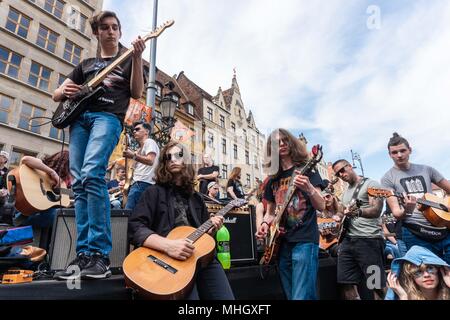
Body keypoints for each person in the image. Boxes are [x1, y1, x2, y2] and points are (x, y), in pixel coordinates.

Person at [52, 10, 146, 280]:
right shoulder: (86, 64)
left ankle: (100, 255)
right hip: (80, 120)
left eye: (115, 27)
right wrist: (64, 91)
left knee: (93, 173)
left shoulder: (129, 58)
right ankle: (83, 255)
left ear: (120, 31)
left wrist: (138, 57)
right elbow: (57, 92)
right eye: (104, 27)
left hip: (108, 118)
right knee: (79, 184)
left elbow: (137, 93)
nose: (111, 31)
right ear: (96, 33)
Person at [128, 141, 234, 300]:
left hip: (201, 259)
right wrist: (168, 245)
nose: (172, 159)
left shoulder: (197, 197)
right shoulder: (153, 192)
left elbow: (206, 236)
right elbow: (135, 227)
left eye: (178, 155)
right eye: (168, 157)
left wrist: (212, 230)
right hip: (168, 262)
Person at [256, 129, 325, 300]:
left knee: (301, 296)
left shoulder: (307, 169)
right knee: (292, 294)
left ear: (291, 143)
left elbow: (322, 205)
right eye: (276, 143)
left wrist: (309, 188)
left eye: (285, 140)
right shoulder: (272, 179)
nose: (281, 144)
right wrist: (264, 225)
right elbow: (270, 214)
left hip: (304, 239)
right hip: (280, 244)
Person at [381, 133, 450, 264]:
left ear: (410, 150)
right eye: (394, 152)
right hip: (415, 232)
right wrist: (408, 209)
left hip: (441, 226)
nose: (399, 155)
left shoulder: (427, 169)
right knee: (426, 272)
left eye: (402, 150)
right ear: (390, 155)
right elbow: (396, 213)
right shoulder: (387, 178)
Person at [332, 159, 385, 300]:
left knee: (376, 285)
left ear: (350, 166)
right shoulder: (344, 194)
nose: (341, 175)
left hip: (369, 240)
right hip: (348, 241)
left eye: (342, 170)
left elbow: (376, 210)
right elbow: (342, 212)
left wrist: (357, 212)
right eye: (338, 174)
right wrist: (337, 217)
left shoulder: (371, 184)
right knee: (346, 284)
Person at [13, 151, 71, 250]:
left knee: (63, 215)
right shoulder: (42, 168)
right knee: (57, 216)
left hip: (45, 216)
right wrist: (52, 172)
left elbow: (66, 200)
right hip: (25, 214)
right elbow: (25, 159)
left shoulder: (68, 181)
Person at [386, 245, 450, 300]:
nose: (426, 275)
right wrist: (403, 296)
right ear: (411, 277)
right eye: (418, 272)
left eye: (430, 268)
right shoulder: (407, 297)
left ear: (439, 270)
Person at [123, 121, 159, 211]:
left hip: (142, 183)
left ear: (146, 131)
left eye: (138, 129)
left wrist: (133, 156)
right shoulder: (140, 148)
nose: (134, 131)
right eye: (133, 130)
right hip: (139, 183)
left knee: (129, 214)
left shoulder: (149, 142)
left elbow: (150, 160)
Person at [0, 151, 10, 224]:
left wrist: (5, 190)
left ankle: (3, 218)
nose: (1, 158)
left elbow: (7, 184)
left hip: (1, 191)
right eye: (0, 156)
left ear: (6, 160)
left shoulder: (7, 171)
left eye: (3, 157)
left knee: (5, 198)